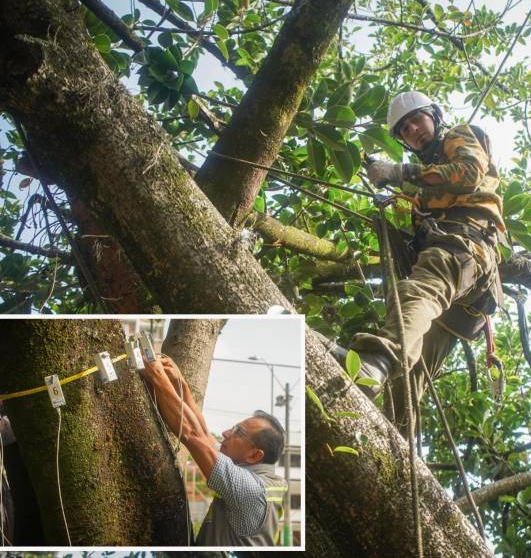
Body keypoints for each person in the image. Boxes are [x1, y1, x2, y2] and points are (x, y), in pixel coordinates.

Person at [324, 90, 505, 418]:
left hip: (465, 248)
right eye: (405, 130)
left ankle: (378, 358)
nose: (413, 131)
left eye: (417, 120)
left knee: (418, 291)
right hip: (456, 304)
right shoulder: (424, 194)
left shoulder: (460, 136)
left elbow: (468, 173)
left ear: (434, 116)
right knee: (408, 382)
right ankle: (395, 441)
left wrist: (399, 172)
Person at [139, 354, 288, 546]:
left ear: (255, 455)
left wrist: (157, 376)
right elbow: (203, 434)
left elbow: (191, 435)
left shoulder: (251, 490)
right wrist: (180, 383)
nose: (226, 433)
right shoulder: (250, 470)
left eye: (238, 433)